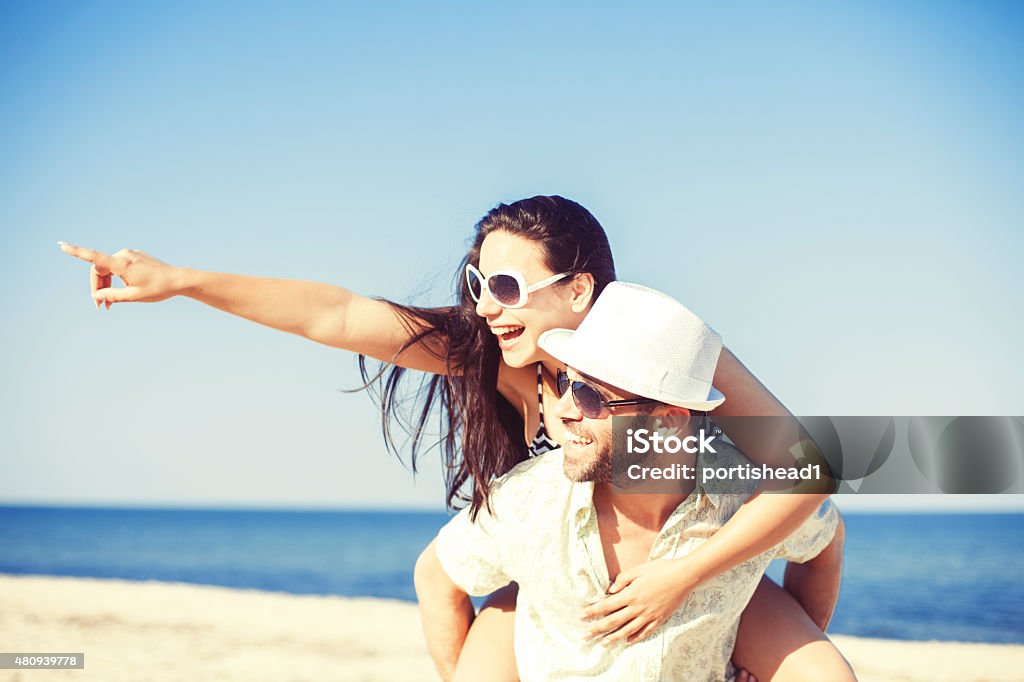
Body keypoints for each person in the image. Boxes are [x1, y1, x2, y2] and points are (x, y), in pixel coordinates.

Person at [58, 195, 844, 681]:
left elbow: (811, 472)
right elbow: (334, 315)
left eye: (506, 288)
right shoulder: (486, 356)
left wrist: (684, 578)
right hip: (545, 575)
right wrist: (186, 282)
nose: (487, 307)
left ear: (579, 290)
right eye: (477, 286)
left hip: (683, 553)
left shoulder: (665, 359)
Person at [415, 282, 855, 681]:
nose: (565, 411)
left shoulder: (745, 498)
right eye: (567, 382)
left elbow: (826, 541)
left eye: (590, 397)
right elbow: (437, 575)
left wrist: (775, 659)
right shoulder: (530, 502)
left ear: (666, 423)